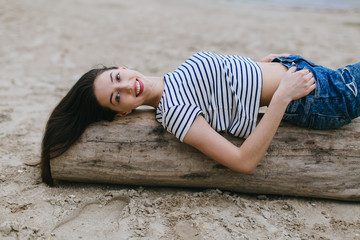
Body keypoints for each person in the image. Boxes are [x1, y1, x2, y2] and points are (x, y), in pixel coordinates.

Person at [41, 52, 360, 185]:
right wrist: (281, 96)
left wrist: (267, 63)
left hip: (303, 71)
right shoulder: (175, 113)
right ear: (122, 111)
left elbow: (228, 84)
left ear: (121, 67)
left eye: (116, 77)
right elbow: (242, 161)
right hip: (319, 97)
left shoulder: (173, 79)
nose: (126, 85)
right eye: (117, 96)